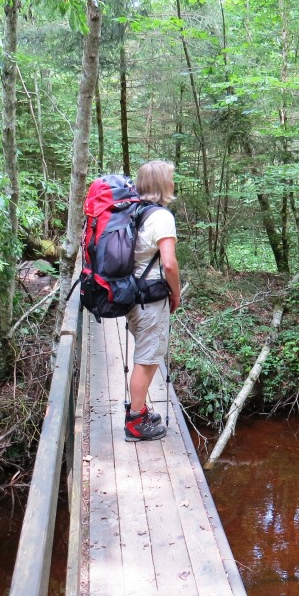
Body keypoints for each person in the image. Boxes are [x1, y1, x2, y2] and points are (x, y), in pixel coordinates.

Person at [124, 160, 180, 442]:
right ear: (162, 184)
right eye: (170, 178)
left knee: (147, 356)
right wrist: (176, 293)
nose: (173, 182)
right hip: (151, 299)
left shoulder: (134, 211)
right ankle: (135, 422)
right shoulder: (161, 216)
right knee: (146, 361)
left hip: (133, 294)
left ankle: (140, 410)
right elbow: (168, 264)